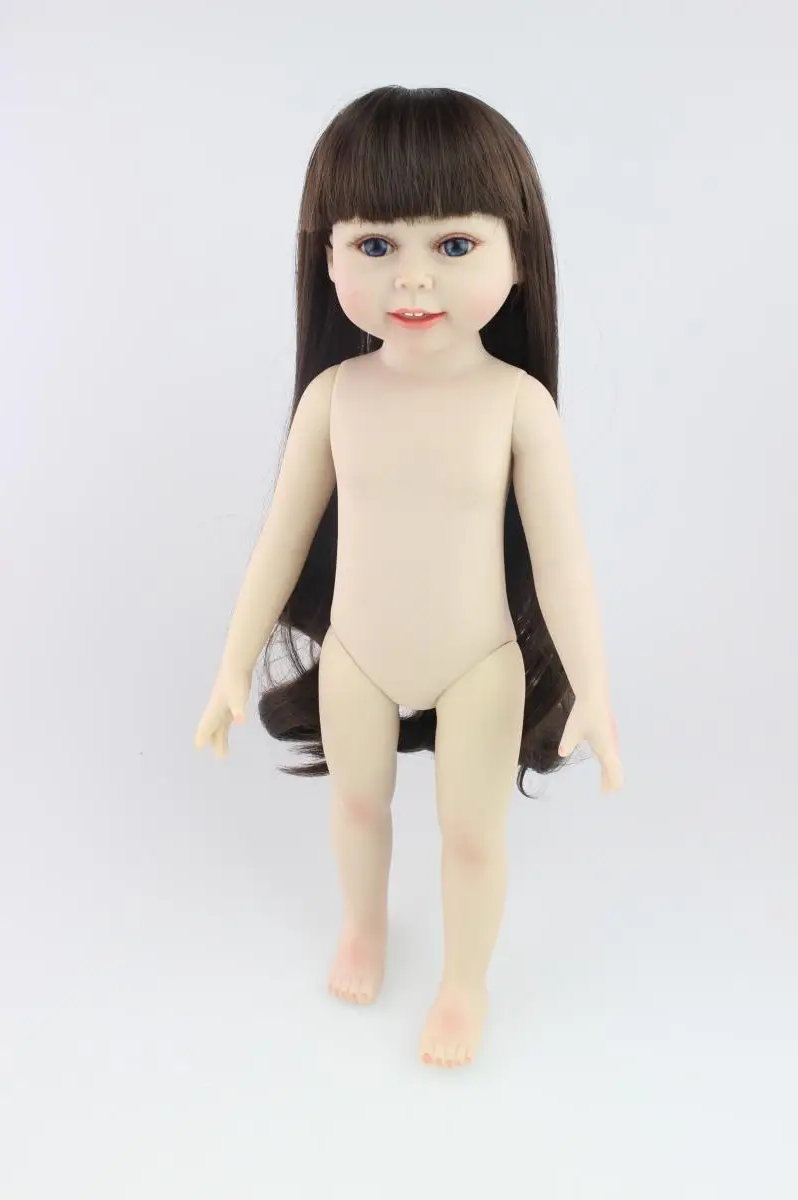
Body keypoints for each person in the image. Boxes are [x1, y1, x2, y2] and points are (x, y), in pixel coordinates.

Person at [195, 85, 624, 1069]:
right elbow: (280, 544)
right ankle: (364, 928)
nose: (413, 278)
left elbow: (561, 561)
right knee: (357, 808)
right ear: (328, 257)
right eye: (376, 245)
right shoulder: (334, 397)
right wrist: (231, 666)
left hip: (479, 662)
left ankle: (464, 985)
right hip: (358, 655)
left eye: (455, 244)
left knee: (470, 837)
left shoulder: (515, 404)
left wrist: (593, 690)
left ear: (520, 256)